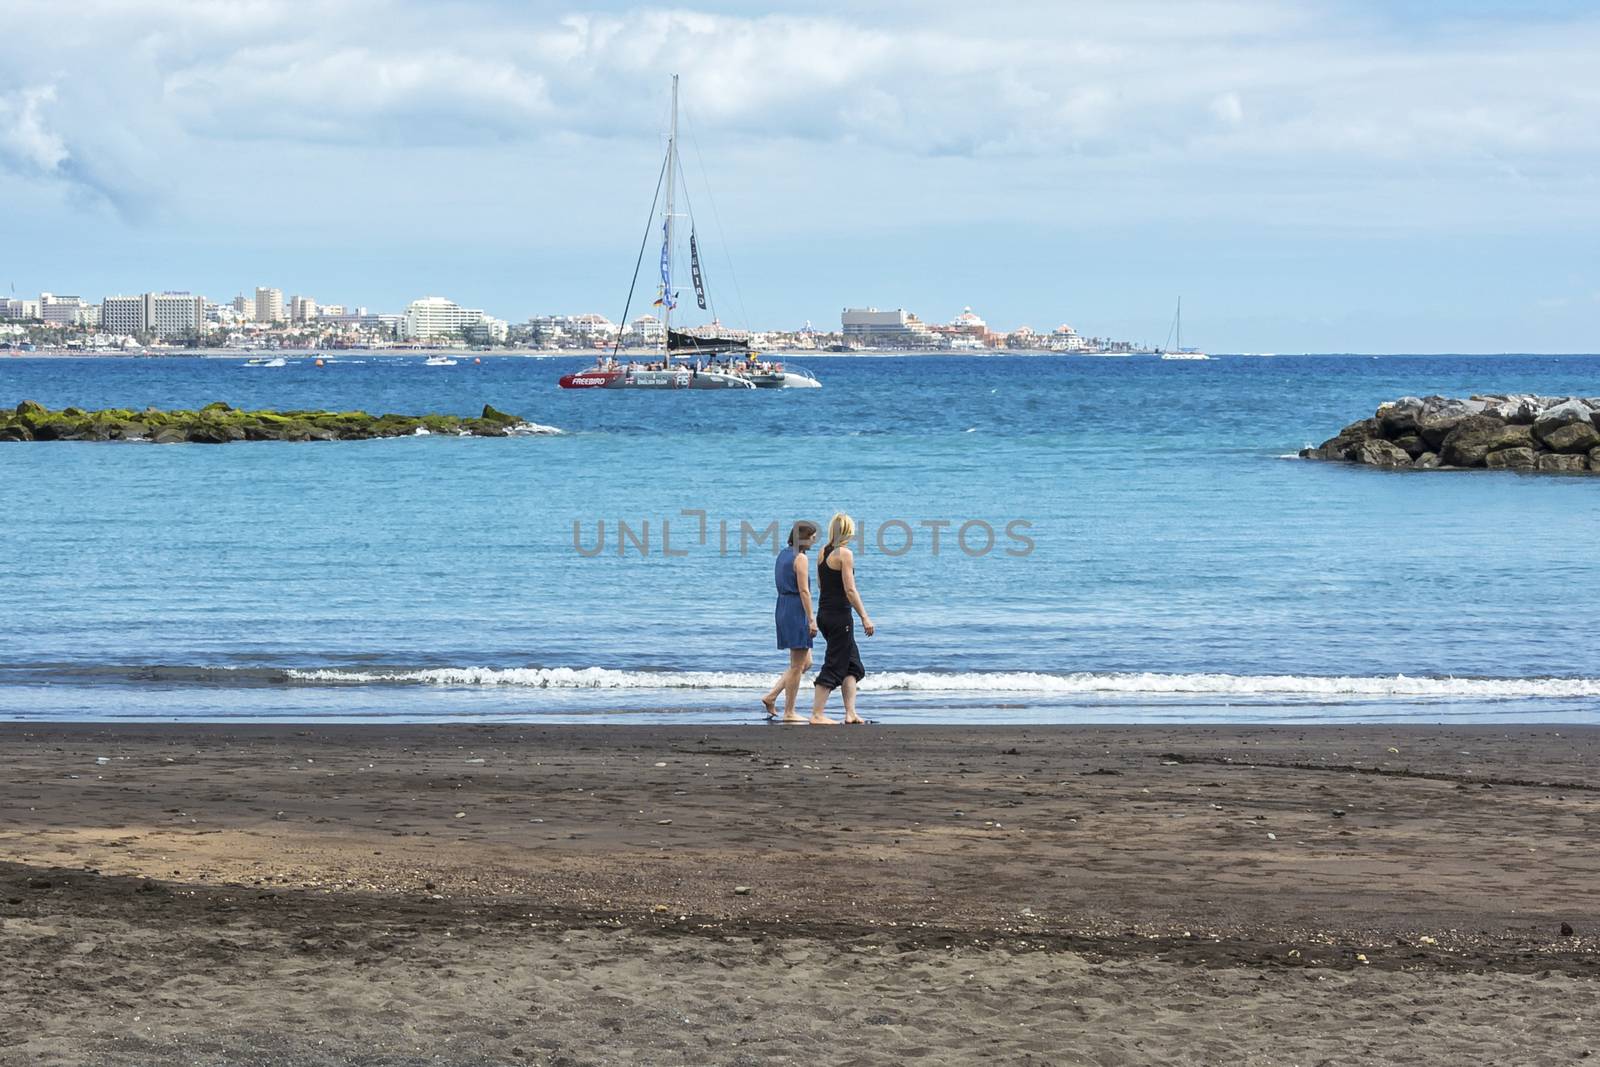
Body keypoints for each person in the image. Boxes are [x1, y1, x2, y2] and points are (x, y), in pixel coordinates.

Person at [810, 512, 874, 725]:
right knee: (834, 664)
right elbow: (850, 590)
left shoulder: (822, 552)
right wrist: (865, 617)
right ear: (848, 531)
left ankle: (850, 713)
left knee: (852, 665)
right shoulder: (844, 554)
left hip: (824, 614)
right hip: (840, 617)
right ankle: (817, 714)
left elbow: (820, 584)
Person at [761, 521, 819, 723]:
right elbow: (804, 590)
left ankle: (771, 696)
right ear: (804, 537)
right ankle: (789, 711)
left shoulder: (783, 554)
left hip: (783, 606)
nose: (815, 539)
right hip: (796, 609)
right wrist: (811, 619)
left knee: (806, 662)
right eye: (812, 536)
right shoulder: (800, 558)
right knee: (796, 665)